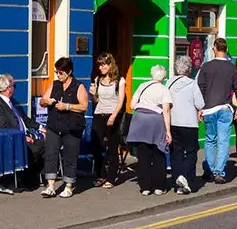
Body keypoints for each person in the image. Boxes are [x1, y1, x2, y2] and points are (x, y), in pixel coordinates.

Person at [39, 57, 89, 198]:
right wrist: (46, 101)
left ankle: (68, 186)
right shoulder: (54, 85)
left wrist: (67, 106)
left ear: (69, 72)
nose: (58, 75)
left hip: (72, 127)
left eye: (61, 73)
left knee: (70, 157)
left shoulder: (78, 86)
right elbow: (42, 101)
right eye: (56, 72)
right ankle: (50, 186)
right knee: (51, 154)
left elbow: (84, 106)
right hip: (54, 126)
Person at [196, 38, 237, 185]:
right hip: (225, 108)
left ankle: (208, 170)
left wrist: (199, 109)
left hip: (208, 109)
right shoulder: (232, 68)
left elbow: (200, 89)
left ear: (214, 48)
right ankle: (219, 173)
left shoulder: (206, 67)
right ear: (226, 50)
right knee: (223, 141)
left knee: (210, 140)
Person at [0, 74, 44, 187]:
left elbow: (25, 119)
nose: (14, 88)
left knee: (47, 144)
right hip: (12, 140)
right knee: (34, 149)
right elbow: (2, 127)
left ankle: (41, 177)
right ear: (8, 88)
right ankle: (27, 180)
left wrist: (41, 128)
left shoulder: (13, 102)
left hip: (23, 136)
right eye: (14, 86)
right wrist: (22, 137)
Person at [125, 65, 173, 195]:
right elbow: (166, 111)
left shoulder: (142, 86)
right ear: (163, 77)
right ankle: (158, 187)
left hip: (139, 120)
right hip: (155, 121)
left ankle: (145, 187)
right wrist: (168, 131)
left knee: (143, 155)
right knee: (159, 154)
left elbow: (132, 105)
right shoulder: (164, 90)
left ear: (151, 75)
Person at [167, 56, 205, 194]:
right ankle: (186, 177)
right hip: (189, 123)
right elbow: (200, 103)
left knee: (176, 152)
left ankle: (179, 182)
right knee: (191, 152)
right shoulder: (192, 83)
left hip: (173, 122)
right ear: (189, 69)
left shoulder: (169, 83)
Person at [88, 53, 125, 188]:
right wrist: (93, 95)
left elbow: (120, 100)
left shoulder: (119, 80)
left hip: (113, 115)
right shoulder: (98, 79)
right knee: (96, 146)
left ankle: (111, 177)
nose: (100, 67)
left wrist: (114, 116)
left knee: (113, 147)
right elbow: (97, 101)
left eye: (103, 65)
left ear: (110, 65)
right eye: (99, 65)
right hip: (99, 114)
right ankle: (101, 174)